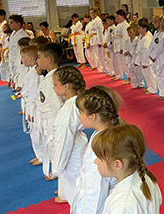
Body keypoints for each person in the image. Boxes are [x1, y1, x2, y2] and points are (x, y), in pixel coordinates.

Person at [72, 86, 125, 214]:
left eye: (80, 112)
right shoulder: (106, 133)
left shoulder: (102, 147)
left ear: (93, 116)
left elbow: (95, 192)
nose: (79, 116)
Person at [92, 124, 162, 214]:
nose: (95, 161)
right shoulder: (147, 179)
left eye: (99, 158)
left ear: (117, 164)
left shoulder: (120, 207)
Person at [46, 66, 87, 203]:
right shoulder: (75, 102)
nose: (53, 87)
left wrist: (57, 168)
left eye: (55, 84)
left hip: (71, 155)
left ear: (66, 86)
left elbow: (64, 142)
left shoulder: (69, 108)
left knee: (76, 195)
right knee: (78, 187)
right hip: (76, 150)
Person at [37, 42, 64, 180]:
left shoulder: (50, 81)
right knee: (54, 146)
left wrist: (57, 124)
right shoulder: (55, 76)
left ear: (48, 60)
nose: (37, 60)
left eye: (39, 57)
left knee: (55, 145)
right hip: (50, 117)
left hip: (53, 119)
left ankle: (58, 172)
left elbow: (56, 105)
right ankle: (56, 169)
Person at [18, 45, 45, 166]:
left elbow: (34, 94)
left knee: (37, 133)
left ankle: (42, 156)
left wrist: (31, 113)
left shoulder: (35, 73)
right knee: (34, 134)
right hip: (30, 105)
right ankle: (39, 155)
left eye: (23, 57)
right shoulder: (32, 71)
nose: (21, 59)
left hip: (34, 107)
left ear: (32, 58)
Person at [149, 15, 164, 100]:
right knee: (158, 74)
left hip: (161, 57)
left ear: (160, 22)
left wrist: (154, 55)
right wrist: (150, 54)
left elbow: (160, 46)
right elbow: (152, 45)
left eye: (155, 22)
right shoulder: (156, 33)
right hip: (156, 57)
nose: (153, 23)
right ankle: (162, 92)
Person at [134, 19, 157, 95]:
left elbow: (147, 51)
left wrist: (145, 62)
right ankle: (149, 86)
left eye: (140, 28)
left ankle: (153, 89)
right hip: (141, 58)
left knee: (150, 74)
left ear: (145, 28)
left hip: (146, 59)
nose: (139, 30)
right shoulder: (140, 36)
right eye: (138, 28)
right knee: (145, 75)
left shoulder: (147, 38)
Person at [8, 14, 29, 89]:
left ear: (18, 23)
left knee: (22, 72)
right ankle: (16, 84)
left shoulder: (23, 35)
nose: (9, 24)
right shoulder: (14, 33)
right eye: (9, 22)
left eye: (11, 22)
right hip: (13, 58)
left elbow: (24, 49)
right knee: (15, 72)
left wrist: (22, 59)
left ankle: (21, 88)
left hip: (20, 58)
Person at [88, 7, 107, 74]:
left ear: (95, 13)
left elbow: (99, 31)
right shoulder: (93, 20)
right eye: (90, 13)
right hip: (93, 38)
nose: (90, 14)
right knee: (96, 55)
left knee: (99, 55)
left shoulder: (98, 20)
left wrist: (100, 41)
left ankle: (103, 68)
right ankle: (99, 68)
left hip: (97, 38)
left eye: (91, 13)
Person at [113, 9, 129, 81]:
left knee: (125, 63)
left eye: (118, 16)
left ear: (123, 16)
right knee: (121, 63)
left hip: (122, 47)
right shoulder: (119, 25)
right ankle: (128, 77)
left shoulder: (125, 25)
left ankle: (130, 77)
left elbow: (125, 38)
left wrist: (123, 48)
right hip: (117, 45)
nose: (116, 18)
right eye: (116, 16)